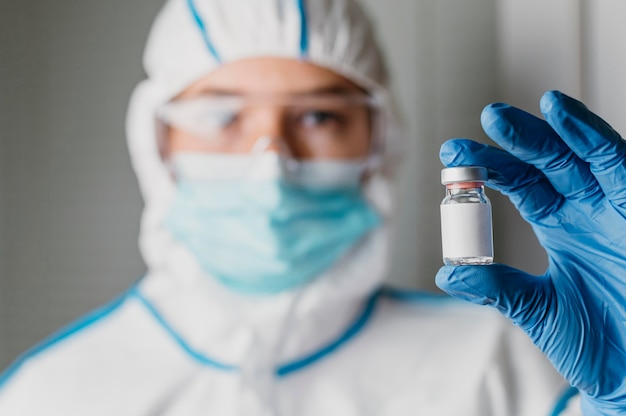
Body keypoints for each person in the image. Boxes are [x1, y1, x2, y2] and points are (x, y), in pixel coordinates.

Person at [0, 0, 625, 414]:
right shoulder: (49, 395)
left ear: (381, 141)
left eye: (320, 116)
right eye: (222, 115)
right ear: (154, 139)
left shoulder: (509, 366)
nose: (271, 159)